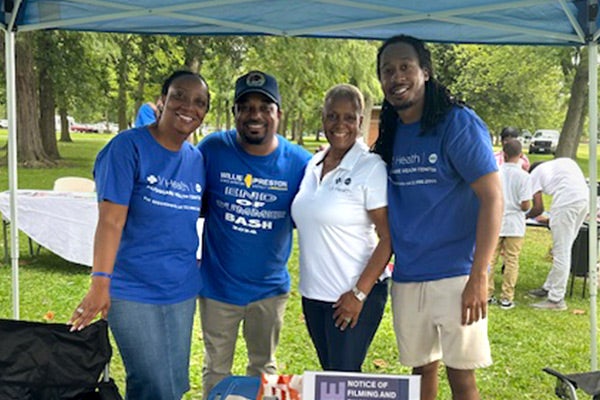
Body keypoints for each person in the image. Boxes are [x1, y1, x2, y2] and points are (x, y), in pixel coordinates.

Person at [372, 35, 503, 400]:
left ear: (425, 72)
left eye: (405, 67)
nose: (396, 76)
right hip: (409, 274)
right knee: (420, 371)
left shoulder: (457, 123)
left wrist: (479, 275)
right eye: (387, 70)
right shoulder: (392, 130)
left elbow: (493, 198)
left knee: (462, 379)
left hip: (457, 276)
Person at [68, 70, 210, 399]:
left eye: (199, 102)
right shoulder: (127, 148)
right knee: (152, 384)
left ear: (204, 113)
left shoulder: (197, 159)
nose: (188, 106)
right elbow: (110, 221)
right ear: (162, 101)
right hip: (132, 290)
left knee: (174, 385)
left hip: (182, 288)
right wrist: (100, 283)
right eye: (179, 96)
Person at [197, 70, 312, 399]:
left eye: (265, 106)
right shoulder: (213, 149)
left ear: (279, 113)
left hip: (268, 290)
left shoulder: (301, 164)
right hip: (218, 287)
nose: (255, 115)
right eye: (245, 107)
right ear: (234, 113)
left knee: (264, 367)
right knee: (217, 370)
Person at [291, 84, 392, 372]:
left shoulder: (370, 167)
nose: (340, 124)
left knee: (343, 381)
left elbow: (388, 238)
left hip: (353, 297)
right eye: (332, 116)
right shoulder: (313, 164)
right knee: (332, 380)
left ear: (361, 121)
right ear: (322, 119)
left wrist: (358, 294)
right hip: (315, 296)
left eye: (349, 117)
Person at [526, 158, 588, 310]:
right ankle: (548, 287)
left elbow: (538, 208)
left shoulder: (534, 175)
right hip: (584, 201)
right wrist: (552, 220)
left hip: (566, 203)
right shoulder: (562, 163)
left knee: (561, 251)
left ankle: (556, 299)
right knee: (564, 246)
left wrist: (523, 216)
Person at [487, 139, 532, 310]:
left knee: (491, 258)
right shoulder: (524, 176)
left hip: (496, 219)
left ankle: (486, 293)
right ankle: (507, 297)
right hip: (515, 223)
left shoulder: (495, 173)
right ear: (521, 155)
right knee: (512, 260)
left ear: (503, 155)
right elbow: (525, 204)